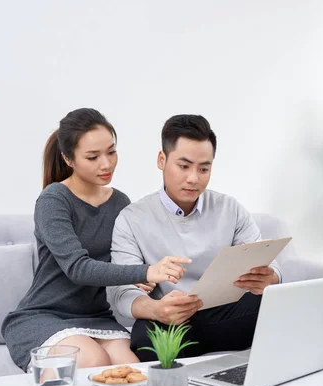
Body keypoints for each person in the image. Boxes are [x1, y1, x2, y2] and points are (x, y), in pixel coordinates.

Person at [1, 108, 188, 371]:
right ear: (68, 158)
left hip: (96, 317)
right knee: (92, 361)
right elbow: (78, 269)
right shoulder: (53, 200)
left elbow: (125, 258)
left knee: (131, 370)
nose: (106, 164)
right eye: (93, 157)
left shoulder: (120, 202)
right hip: (45, 314)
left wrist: (140, 275)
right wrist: (146, 271)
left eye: (111, 152)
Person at [107, 114, 282, 361]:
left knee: (277, 308)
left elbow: (270, 265)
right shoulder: (132, 218)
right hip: (171, 320)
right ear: (161, 160)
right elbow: (121, 293)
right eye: (184, 166)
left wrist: (271, 278)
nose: (193, 178)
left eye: (204, 168)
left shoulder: (229, 209)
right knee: (145, 340)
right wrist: (156, 309)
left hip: (226, 314)